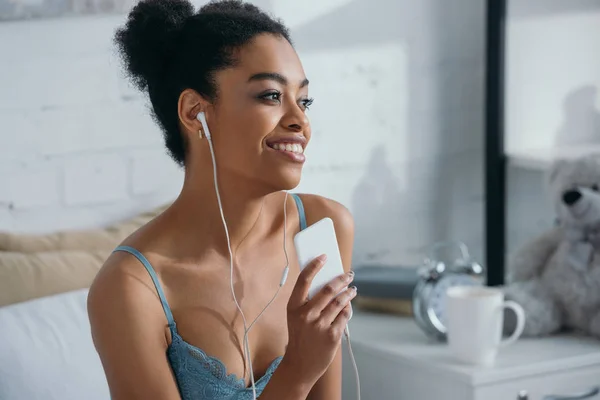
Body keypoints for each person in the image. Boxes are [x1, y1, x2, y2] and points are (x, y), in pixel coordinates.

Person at [87, 1, 357, 399]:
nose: (300, 120)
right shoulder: (132, 288)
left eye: (304, 100)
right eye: (270, 95)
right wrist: (297, 370)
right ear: (196, 112)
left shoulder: (320, 226)